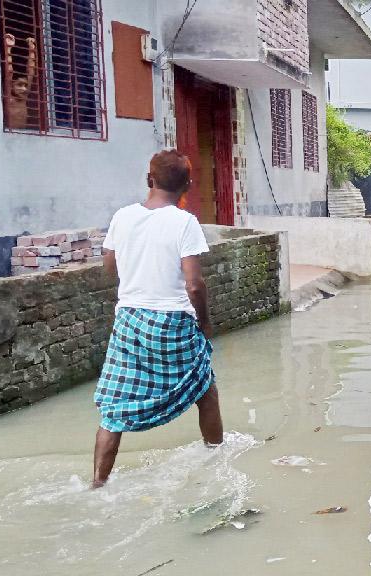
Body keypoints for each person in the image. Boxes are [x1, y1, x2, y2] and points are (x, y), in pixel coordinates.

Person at [92, 150, 223, 488]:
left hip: (130, 322)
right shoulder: (185, 222)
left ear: (149, 180)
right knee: (204, 389)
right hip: (173, 322)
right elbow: (194, 284)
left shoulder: (122, 217)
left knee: (113, 407)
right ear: (188, 185)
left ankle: (97, 483)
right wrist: (205, 324)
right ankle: (216, 456)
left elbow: (109, 266)